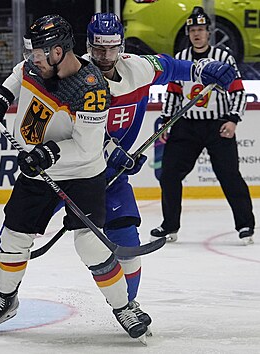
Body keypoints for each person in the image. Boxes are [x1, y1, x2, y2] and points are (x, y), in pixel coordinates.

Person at [0, 14, 149, 340]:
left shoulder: (91, 89)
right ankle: (3, 298)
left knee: (90, 245)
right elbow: (19, 73)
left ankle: (123, 306)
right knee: (14, 237)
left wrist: (48, 152)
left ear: (59, 52)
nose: (32, 60)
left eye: (39, 53)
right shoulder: (35, 67)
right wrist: (1, 95)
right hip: (37, 171)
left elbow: (88, 149)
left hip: (82, 174)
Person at [82, 12, 237, 331]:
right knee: (21, 230)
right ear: (89, 46)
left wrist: (201, 67)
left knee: (127, 238)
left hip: (111, 177)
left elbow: (171, 66)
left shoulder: (137, 67)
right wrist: (113, 153)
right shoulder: (74, 77)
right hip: (69, 172)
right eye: (98, 49)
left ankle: (127, 305)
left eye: (111, 48)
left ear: (121, 46)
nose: (105, 56)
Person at [151, 6, 255, 245]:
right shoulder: (181, 59)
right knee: (169, 175)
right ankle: (170, 226)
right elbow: (174, 93)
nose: (197, 34)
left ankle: (246, 224)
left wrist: (232, 119)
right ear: (188, 33)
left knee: (229, 176)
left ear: (209, 32)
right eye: (192, 30)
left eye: (201, 29)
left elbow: (238, 92)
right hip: (187, 126)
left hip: (218, 127)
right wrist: (167, 121)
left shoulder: (224, 58)